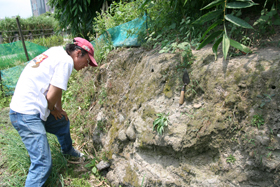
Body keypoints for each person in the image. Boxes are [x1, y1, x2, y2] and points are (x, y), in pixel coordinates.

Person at [9, 37, 98, 186]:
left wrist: (58, 110)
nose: (86, 66)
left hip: (27, 109)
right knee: (42, 163)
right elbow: (51, 96)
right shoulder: (66, 62)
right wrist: (51, 108)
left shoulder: (57, 52)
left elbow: (55, 88)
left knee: (61, 121)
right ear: (78, 53)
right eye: (87, 61)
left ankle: (68, 150)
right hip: (26, 114)